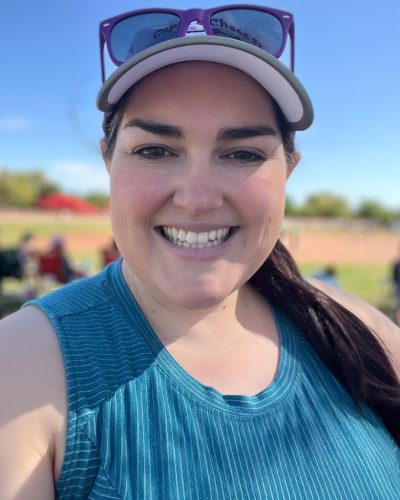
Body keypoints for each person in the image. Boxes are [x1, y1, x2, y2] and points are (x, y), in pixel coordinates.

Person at [0, 5, 399, 499]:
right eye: (155, 150)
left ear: (288, 173)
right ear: (108, 162)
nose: (197, 198)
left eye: (243, 153)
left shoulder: (349, 323)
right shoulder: (23, 363)